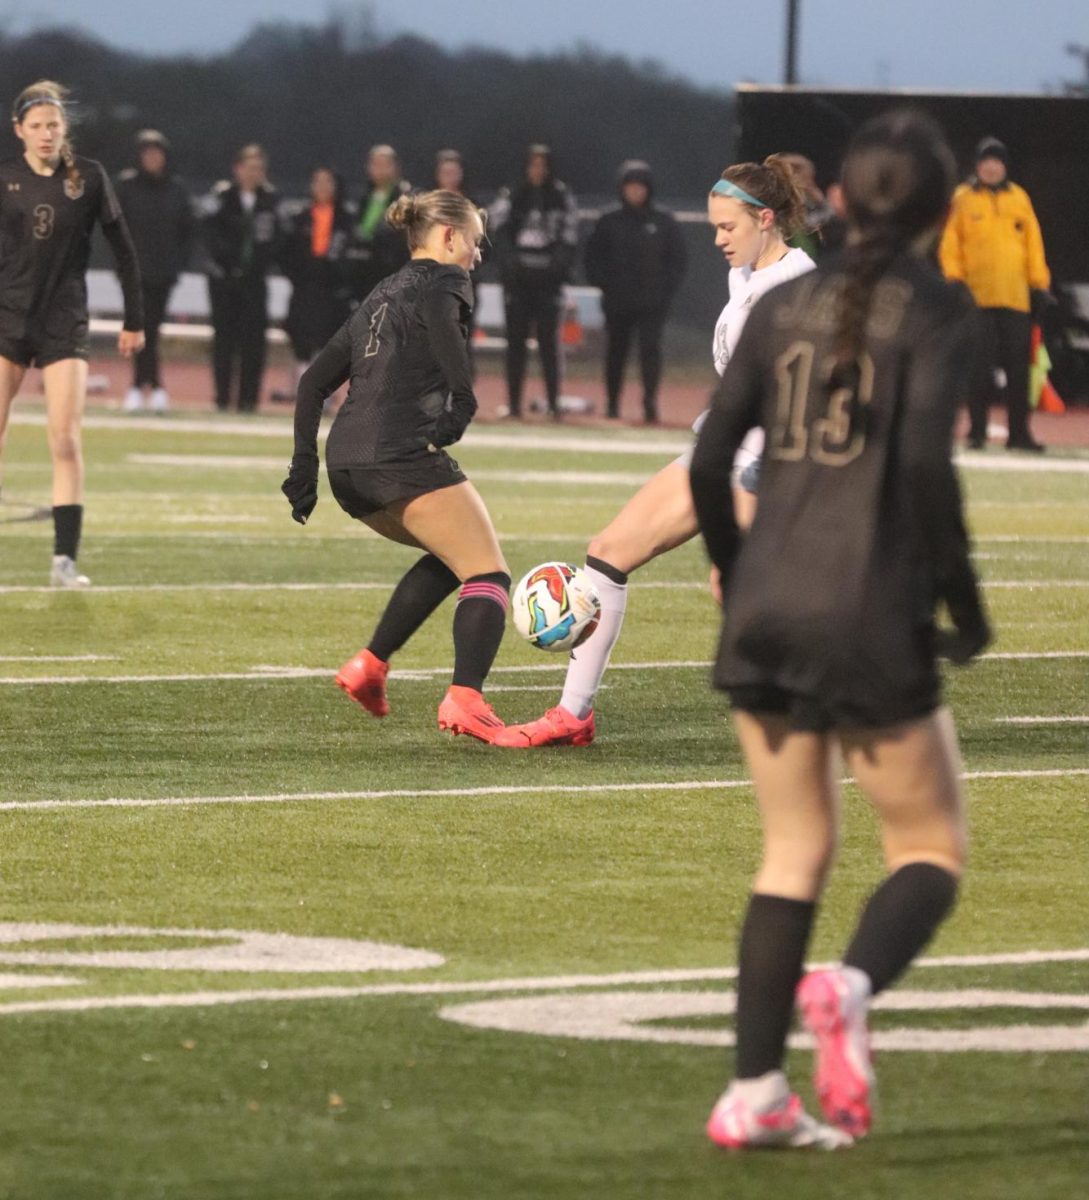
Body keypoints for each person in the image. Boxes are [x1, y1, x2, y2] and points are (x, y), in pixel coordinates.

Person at [689, 110, 991, 1150]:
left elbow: (705, 460)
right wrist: (966, 606)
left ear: (846, 202)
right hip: (867, 606)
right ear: (940, 211)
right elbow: (920, 469)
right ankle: (852, 987)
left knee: (791, 851)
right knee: (928, 846)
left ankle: (756, 1093)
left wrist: (738, 574)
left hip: (769, 602)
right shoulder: (939, 306)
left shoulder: (783, 302)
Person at [495, 156, 813, 748]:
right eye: (715, 227)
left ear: (766, 220)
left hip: (768, 462)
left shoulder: (796, 288)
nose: (717, 239)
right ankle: (574, 716)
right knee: (608, 554)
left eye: (728, 228)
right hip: (721, 448)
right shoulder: (746, 270)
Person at [281, 190, 511, 743]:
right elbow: (439, 316)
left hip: (346, 468)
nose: (477, 256)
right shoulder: (446, 280)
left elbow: (314, 382)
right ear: (450, 236)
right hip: (396, 455)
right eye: (475, 242)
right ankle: (466, 698)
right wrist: (464, 401)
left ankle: (370, 665)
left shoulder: (381, 291)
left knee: (451, 555)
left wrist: (303, 468)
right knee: (490, 575)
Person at [0, 80, 144, 587]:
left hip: (64, 323)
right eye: (36, 126)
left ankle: (64, 561)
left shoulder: (89, 177)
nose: (46, 134)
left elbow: (124, 251)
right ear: (19, 131)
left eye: (54, 126)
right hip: (7, 320)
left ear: (65, 130)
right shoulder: (6, 180)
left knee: (64, 439)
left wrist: (135, 319)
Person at [939, 137, 1050, 451]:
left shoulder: (1019, 198)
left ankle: (1020, 434)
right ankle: (976, 432)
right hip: (976, 298)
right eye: (986, 161)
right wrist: (954, 280)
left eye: (997, 161)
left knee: (1019, 370)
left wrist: (1039, 284)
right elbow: (950, 243)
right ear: (977, 165)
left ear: (1004, 165)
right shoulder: (963, 197)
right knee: (978, 369)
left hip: (1015, 296)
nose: (991, 166)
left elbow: (1033, 243)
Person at [583, 159, 687, 423]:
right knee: (615, 352)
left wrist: (665, 290)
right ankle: (612, 403)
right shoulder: (608, 221)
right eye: (631, 186)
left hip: (652, 302)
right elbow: (592, 257)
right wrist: (603, 284)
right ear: (622, 188)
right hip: (617, 301)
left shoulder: (664, 221)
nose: (636, 191)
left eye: (640, 186)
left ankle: (650, 403)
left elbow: (677, 260)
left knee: (650, 352)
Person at [489, 144, 578, 419]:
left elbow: (570, 236)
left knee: (549, 345)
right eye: (533, 164)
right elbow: (498, 232)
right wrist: (511, 267)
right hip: (517, 283)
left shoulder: (562, 197)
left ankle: (553, 405)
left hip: (548, 283)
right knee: (515, 344)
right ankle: (514, 405)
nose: (538, 170)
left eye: (543, 165)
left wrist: (556, 267)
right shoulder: (511, 195)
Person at [115, 129, 193, 414]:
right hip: (132, 273)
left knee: (151, 330)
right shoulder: (126, 186)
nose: (152, 158)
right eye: (147, 153)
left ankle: (143, 388)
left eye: (157, 153)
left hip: (163, 273)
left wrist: (177, 263)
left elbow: (187, 231)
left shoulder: (176, 189)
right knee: (139, 328)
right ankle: (149, 388)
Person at [202, 143, 279, 412]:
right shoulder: (222, 197)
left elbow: (275, 239)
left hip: (254, 281)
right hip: (224, 281)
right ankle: (222, 399)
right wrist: (221, 266)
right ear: (237, 169)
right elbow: (208, 234)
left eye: (259, 168)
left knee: (254, 342)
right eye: (249, 167)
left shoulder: (270, 200)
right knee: (224, 340)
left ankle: (249, 401)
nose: (254, 173)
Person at [279, 167, 355, 395]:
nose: (322, 187)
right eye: (318, 182)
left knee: (331, 339)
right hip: (304, 287)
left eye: (327, 182)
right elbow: (286, 252)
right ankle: (304, 390)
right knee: (301, 334)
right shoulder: (300, 217)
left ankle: (326, 393)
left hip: (333, 289)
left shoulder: (346, 219)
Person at [347, 144, 412, 304]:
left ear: (396, 167)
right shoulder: (363, 198)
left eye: (385, 164)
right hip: (364, 273)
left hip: (393, 273)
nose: (380, 169)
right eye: (376, 164)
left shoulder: (406, 198)